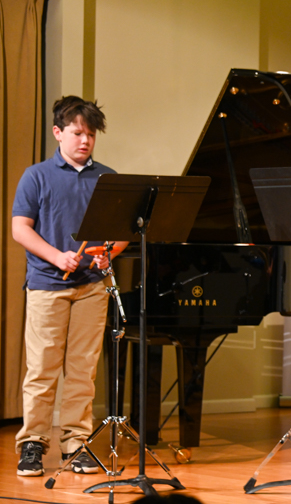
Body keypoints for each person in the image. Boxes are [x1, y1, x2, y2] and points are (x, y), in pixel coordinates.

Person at [12, 96, 127, 476]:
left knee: (82, 370)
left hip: (92, 287)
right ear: (58, 133)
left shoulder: (107, 178)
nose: (85, 141)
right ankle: (33, 443)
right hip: (47, 284)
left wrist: (108, 252)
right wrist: (56, 257)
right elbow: (20, 229)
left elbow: (121, 231)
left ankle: (76, 442)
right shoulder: (37, 176)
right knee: (42, 369)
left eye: (90, 135)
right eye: (78, 133)